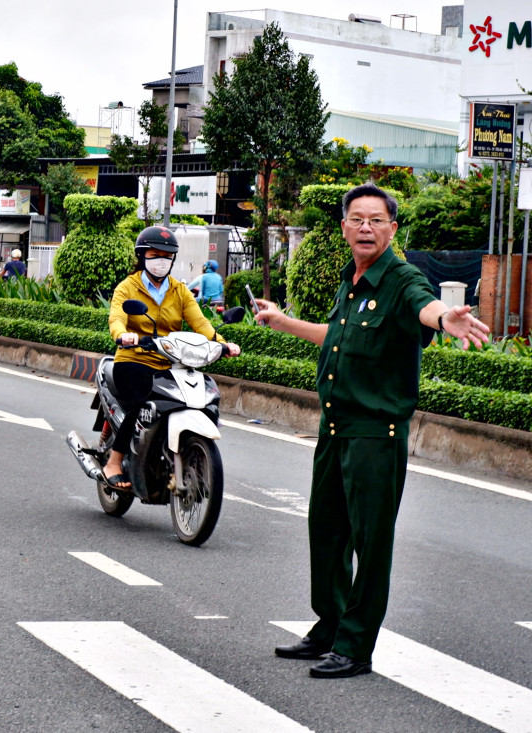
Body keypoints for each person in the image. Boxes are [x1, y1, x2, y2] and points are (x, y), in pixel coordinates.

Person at [259, 183, 490, 679]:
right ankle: (330, 625)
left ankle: (355, 645)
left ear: (392, 228)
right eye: (357, 219)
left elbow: (426, 309)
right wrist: (283, 323)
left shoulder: (403, 280)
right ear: (344, 227)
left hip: (375, 435)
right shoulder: (352, 279)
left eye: (376, 220)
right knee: (326, 534)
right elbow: (337, 335)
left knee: (370, 541)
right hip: (335, 429)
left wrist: (446, 318)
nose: (366, 227)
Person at [101, 225, 240, 488]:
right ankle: (113, 462)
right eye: (155, 254)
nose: (161, 260)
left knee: (204, 393)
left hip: (169, 363)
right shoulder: (127, 287)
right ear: (142, 256)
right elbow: (117, 317)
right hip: (133, 359)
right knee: (140, 401)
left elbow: (201, 324)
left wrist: (223, 344)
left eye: (167, 255)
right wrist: (123, 335)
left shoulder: (179, 290)